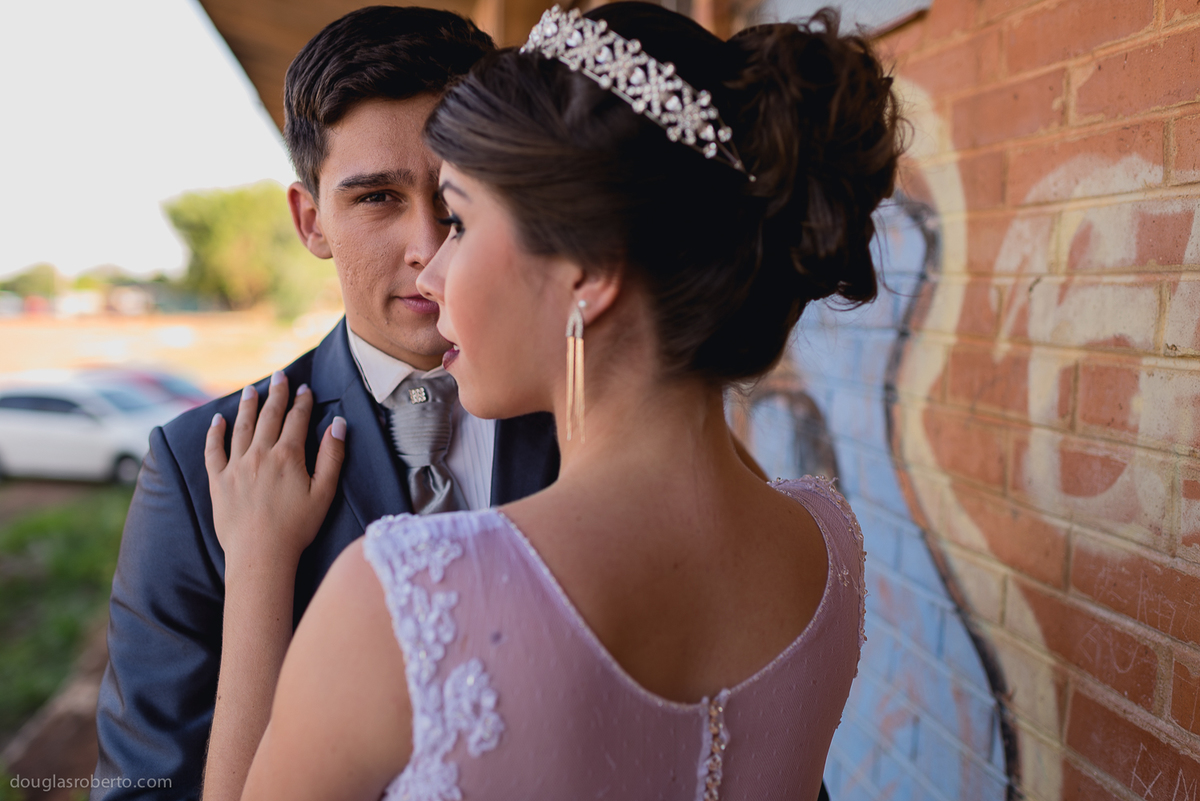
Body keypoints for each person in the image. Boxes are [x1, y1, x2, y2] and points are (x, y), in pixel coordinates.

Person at [202, 2, 900, 799]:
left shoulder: (404, 598)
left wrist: (257, 563)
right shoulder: (825, 544)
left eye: (459, 218)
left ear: (589, 267)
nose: (430, 269)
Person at [91, 9, 562, 800]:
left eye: (456, 194)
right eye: (377, 197)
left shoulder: (588, 418)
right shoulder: (197, 463)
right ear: (311, 221)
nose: (426, 242)